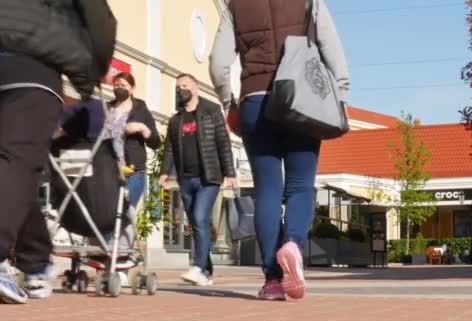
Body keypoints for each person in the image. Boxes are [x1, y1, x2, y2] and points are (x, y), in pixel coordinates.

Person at [209, 0, 349, 300]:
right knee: (300, 185)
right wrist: (340, 95)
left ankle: (272, 279)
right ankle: (294, 245)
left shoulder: (236, 6)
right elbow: (332, 48)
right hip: (301, 97)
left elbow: (219, 64)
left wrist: (228, 103)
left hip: (255, 102)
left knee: (267, 190)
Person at [0, 0, 117, 303]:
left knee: (15, 169)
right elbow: (100, 20)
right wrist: (93, 73)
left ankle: (35, 264)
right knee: (17, 163)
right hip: (33, 65)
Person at [159, 74, 236, 286]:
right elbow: (170, 149)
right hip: (186, 179)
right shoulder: (176, 120)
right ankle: (206, 270)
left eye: (184, 85)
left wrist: (229, 173)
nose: (180, 89)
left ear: (195, 87)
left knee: (201, 217)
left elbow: (223, 141)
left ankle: (199, 268)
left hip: (209, 177)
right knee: (196, 223)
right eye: (178, 87)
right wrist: (165, 173)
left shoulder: (211, 111)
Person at [108, 72, 161, 213]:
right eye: (116, 85)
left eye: (123, 85)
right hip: (110, 170)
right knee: (109, 213)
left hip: (133, 171)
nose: (119, 88)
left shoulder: (141, 110)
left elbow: (156, 143)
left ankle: (126, 234)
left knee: (126, 212)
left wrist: (143, 128)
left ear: (132, 88)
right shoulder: (107, 108)